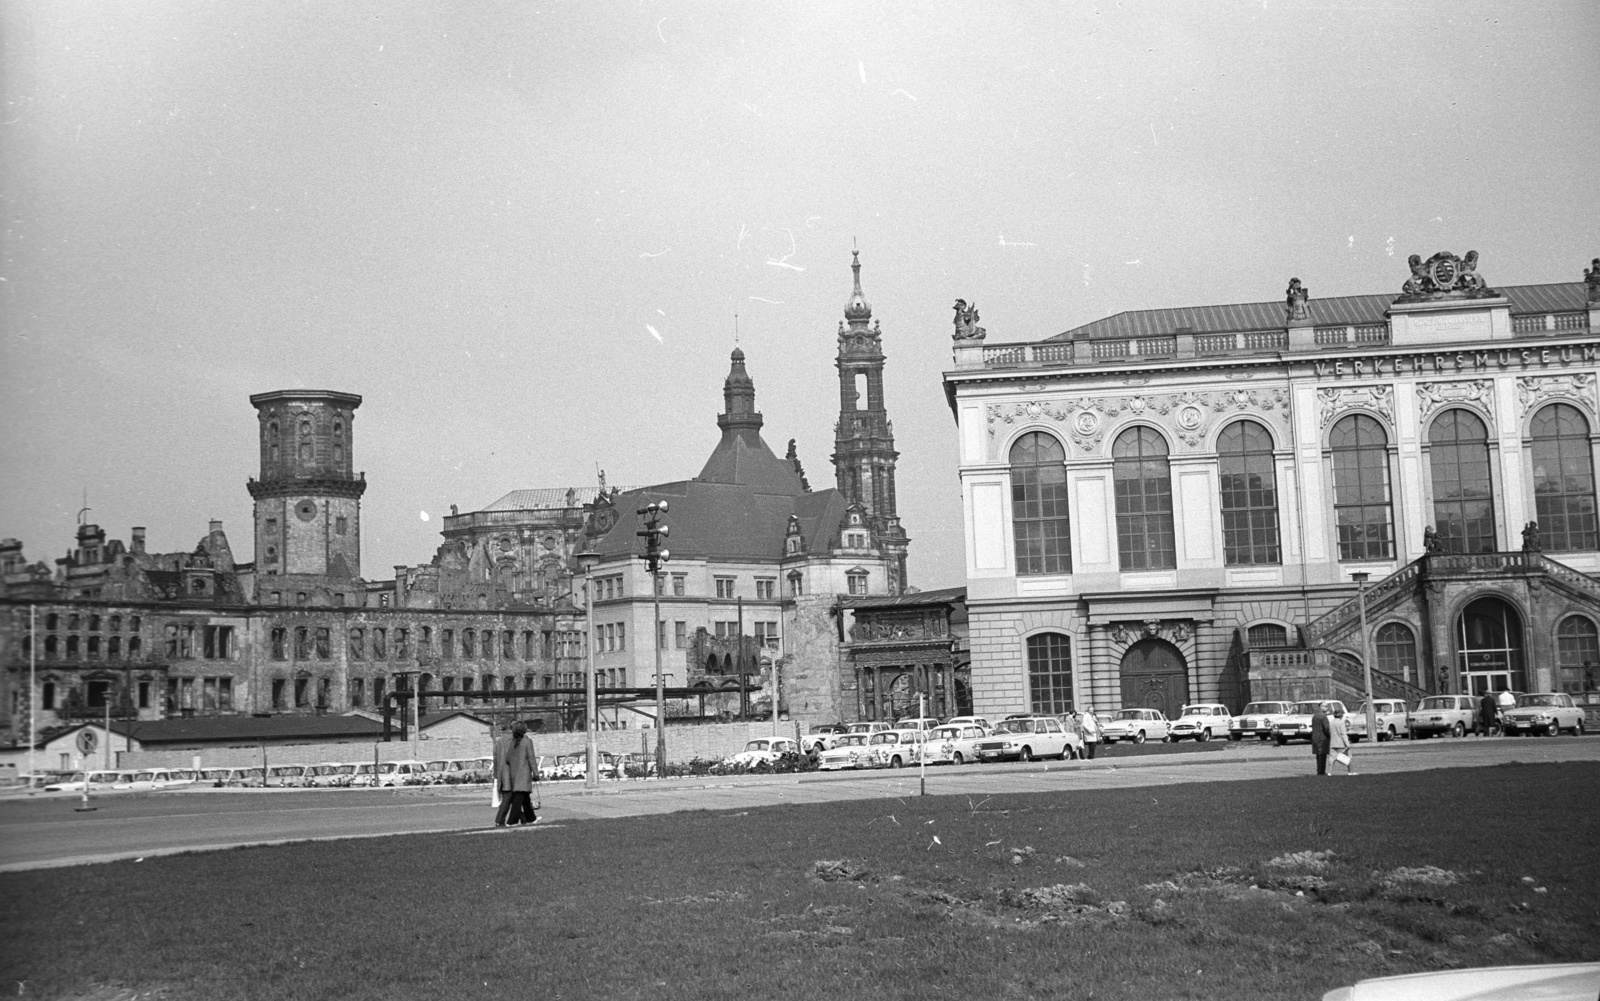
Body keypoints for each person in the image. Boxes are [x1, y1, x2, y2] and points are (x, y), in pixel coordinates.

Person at [494, 722, 539, 826]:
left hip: (512, 773)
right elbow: (531, 758)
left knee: (525, 798)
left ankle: (531, 818)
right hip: (523, 773)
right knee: (517, 799)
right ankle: (511, 821)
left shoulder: (509, 742)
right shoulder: (527, 741)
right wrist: (536, 773)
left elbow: (506, 758)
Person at [1329, 706, 1354, 775]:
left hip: (1332, 743)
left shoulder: (1331, 722)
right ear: (1341, 715)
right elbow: (1343, 734)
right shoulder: (1341, 722)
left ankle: (1330, 772)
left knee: (1332, 758)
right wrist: (1347, 744)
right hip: (1341, 744)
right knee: (1348, 757)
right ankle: (1350, 772)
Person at [1310, 703, 1331, 776]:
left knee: (1318, 756)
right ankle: (1321, 772)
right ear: (1321, 707)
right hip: (1322, 738)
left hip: (1315, 737)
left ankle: (1319, 771)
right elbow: (1326, 728)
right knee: (1322, 755)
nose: (1327, 708)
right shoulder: (1323, 716)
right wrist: (1331, 735)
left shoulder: (1315, 715)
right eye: (1325, 706)